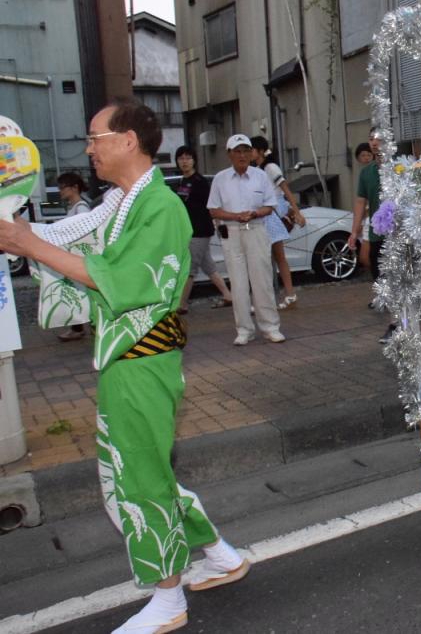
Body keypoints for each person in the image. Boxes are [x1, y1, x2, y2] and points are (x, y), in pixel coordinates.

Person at [0, 99, 249, 633]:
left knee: (136, 479)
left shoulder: (158, 207)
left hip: (141, 360)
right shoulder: (123, 203)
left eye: (95, 137)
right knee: (146, 469)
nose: (89, 148)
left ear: (128, 140)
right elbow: (69, 244)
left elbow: (120, 279)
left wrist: (28, 243)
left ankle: (168, 597)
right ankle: (220, 555)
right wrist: (20, 230)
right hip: (133, 359)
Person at [208, 134, 286, 346]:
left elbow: (270, 205)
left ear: (251, 153)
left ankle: (270, 327)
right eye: (237, 151)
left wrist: (254, 213)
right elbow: (214, 209)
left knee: (262, 280)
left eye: (246, 151)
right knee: (238, 283)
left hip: (257, 228)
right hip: (232, 232)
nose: (242, 155)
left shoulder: (260, 176)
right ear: (229, 154)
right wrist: (235, 216)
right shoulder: (220, 179)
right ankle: (244, 329)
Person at [347, 128, 396, 343]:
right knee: (381, 279)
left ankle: (397, 324)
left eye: (379, 139)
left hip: (398, 234)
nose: (375, 143)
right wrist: (354, 230)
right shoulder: (367, 173)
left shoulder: (399, 167)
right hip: (377, 233)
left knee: (398, 278)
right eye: (371, 139)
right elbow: (361, 201)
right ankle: (398, 321)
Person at [173, 145, 233, 314]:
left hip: (200, 230)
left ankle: (182, 304)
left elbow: (213, 205)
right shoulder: (182, 181)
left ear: (194, 161)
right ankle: (228, 295)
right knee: (208, 266)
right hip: (189, 230)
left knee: (190, 269)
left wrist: (219, 224)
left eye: (188, 158)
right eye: (181, 158)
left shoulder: (200, 182)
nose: (184, 162)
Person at [250, 135, 306, 310]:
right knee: (273, 258)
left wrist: (297, 212)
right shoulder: (258, 169)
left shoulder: (270, 167)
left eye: (251, 149)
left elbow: (285, 190)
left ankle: (283, 296)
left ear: (260, 151)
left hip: (273, 214)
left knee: (275, 258)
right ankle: (287, 295)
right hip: (268, 213)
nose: (249, 153)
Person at [55, 172, 91, 341]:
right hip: (74, 256)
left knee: (80, 292)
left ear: (75, 188)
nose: (60, 191)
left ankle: (81, 327)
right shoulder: (74, 207)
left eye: (63, 187)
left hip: (79, 257)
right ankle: (77, 327)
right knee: (76, 292)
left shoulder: (81, 208)